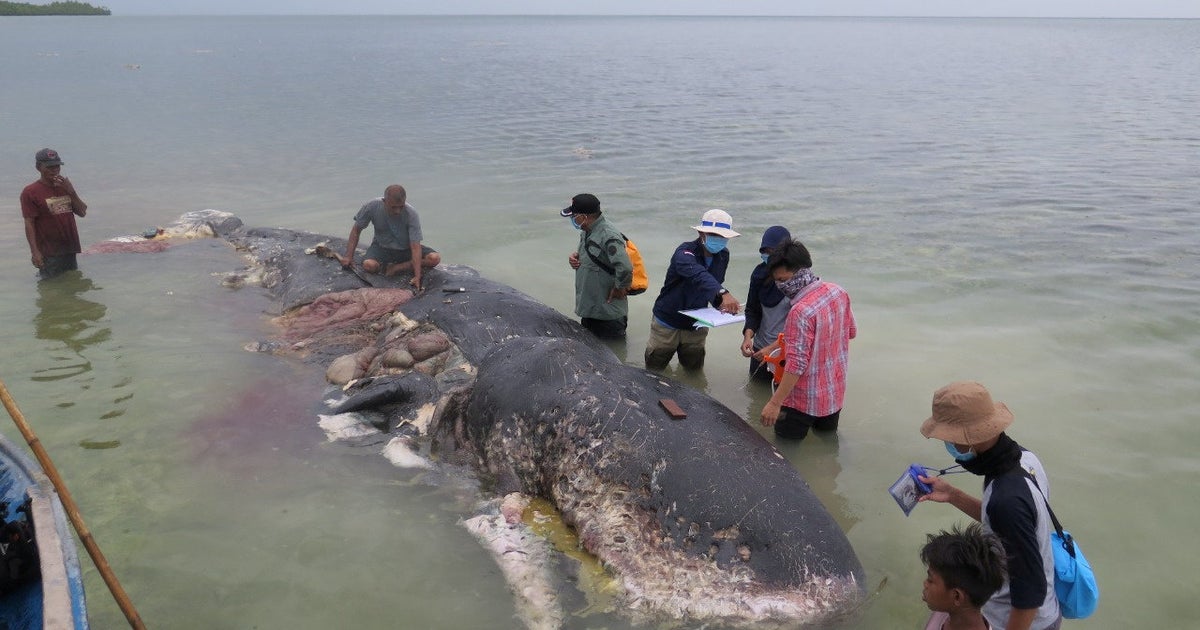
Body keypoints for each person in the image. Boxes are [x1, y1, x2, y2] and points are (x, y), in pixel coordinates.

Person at [916, 381, 1062, 630]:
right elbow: (1007, 523)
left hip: (1024, 621)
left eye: (949, 439)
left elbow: (1030, 592)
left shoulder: (1006, 500)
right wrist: (953, 495)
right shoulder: (1025, 459)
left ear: (969, 439)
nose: (949, 446)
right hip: (1047, 607)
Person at [759, 239, 856, 440]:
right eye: (777, 281)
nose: (781, 286)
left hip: (801, 401)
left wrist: (775, 403)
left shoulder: (800, 312)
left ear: (800, 272)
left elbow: (796, 364)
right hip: (833, 395)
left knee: (786, 452)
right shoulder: (838, 292)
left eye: (783, 279)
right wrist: (776, 346)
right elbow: (850, 332)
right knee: (827, 448)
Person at [644, 208, 741, 371]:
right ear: (701, 234)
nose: (719, 240)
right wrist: (724, 293)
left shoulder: (723, 255)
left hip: (697, 323)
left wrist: (720, 304)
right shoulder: (684, 252)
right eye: (714, 235)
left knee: (694, 369)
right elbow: (698, 275)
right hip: (667, 321)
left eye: (723, 237)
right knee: (654, 368)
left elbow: (713, 283)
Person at [336, 184, 441, 290]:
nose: (397, 211)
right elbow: (356, 230)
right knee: (369, 265)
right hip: (382, 247)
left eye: (401, 207)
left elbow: (415, 246)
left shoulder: (411, 214)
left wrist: (417, 276)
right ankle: (385, 266)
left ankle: (398, 267)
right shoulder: (372, 206)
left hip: (406, 248)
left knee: (434, 258)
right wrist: (348, 256)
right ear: (384, 201)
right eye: (393, 207)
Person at [562, 193, 633, 339]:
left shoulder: (608, 235)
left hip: (607, 314)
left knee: (611, 355)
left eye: (574, 216)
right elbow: (596, 256)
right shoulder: (587, 231)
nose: (572, 219)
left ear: (584, 217)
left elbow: (625, 267)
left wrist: (620, 288)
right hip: (591, 308)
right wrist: (575, 257)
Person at [921, 522, 1008, 630]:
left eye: (930, 580)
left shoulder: (944, 610)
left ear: (957, 596)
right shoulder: (944, 612)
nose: (925, 584)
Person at [21, 148, 88, 279]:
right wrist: (35, 252)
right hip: (49, 253)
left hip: (70, 249)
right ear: (38, 167)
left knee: (71, 288)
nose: (54, 170)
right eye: (49, 167)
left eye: (57, 166)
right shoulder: (30, 192)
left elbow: (82, 212)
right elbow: (29, 222)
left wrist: (71, 191)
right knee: (51, 291)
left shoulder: (65, 187)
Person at [740, 225, 792, 381]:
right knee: (756, 395)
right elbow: (752, 310)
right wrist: (747, 337)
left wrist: (773, 347)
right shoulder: (759, 274)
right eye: (764, 252)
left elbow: (798, 328)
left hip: (786, 352)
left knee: (781, 398)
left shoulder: (796, 280)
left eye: (772, 252)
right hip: (760, 349)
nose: (767, 256)